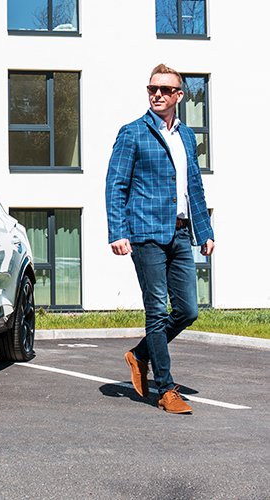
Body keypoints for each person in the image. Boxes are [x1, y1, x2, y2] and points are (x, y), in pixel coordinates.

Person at [105, 63, 215, 414]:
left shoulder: (186, 137)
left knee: (187, 310)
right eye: (153, 88)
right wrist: (117, 231)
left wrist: (205, 231)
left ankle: (139, 354)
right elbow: (115, 185)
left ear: (179, 96)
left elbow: (193, 186)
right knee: (156, 310)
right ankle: (166, 390)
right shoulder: (133, 133)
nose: (158, 94)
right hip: (146, 233)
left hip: (181, 233)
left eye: (166, 90)